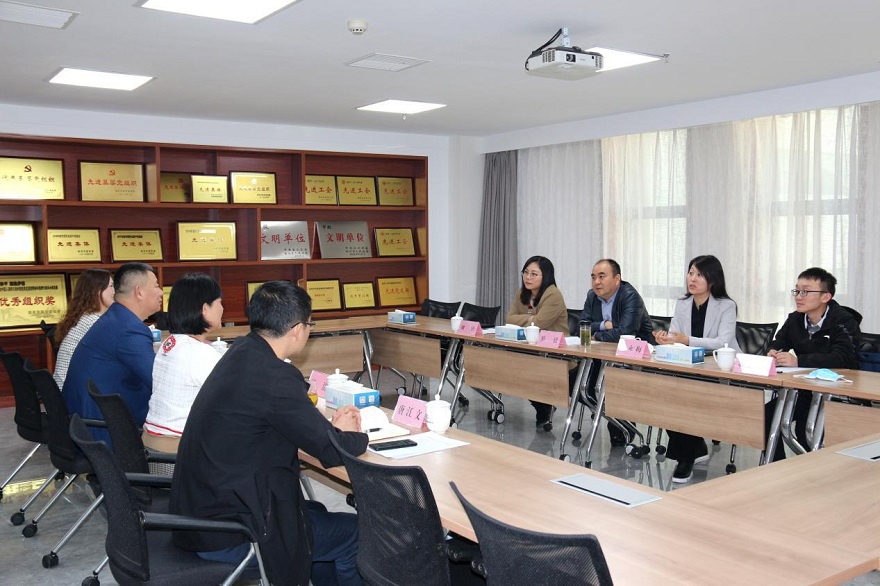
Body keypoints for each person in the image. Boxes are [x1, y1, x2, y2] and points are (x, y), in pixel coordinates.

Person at [170, 281, 368, 586]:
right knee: (356, 534)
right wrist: (350, 432)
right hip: (233, 532)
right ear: (298, 329)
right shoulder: (275, 377)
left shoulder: (241, 352)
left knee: (316, 514)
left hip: (201, 515)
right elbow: (332, 450)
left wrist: (326, 429)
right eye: (310, 325)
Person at [653, 255, 741, 483]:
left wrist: (686, 340)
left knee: (688, 398)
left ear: (712, 279)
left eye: (699, 275)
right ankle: (696, 448)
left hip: (719, 367)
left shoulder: (726, 305)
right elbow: (675, 335)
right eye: (691, 273)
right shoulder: (683, 304)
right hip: (688, 365)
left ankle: (686, 458)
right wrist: (665, 340)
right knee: (663, 394)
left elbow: (722, 341)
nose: (692, 279)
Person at [62, 262, 164, 443]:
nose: (161, 292)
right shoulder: (128, 329)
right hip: (104, 430)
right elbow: (159, 381)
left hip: (83, 423)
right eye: (156, 286)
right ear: (139, 292)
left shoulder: (116, 318)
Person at [767, 267, 861, 460]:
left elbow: (842, 357)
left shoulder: (843, 321)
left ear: (826, 296)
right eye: (797, 291)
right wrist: (774, 351)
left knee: (805, 432)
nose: (798, 297)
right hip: (804, 389)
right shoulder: (795, 319)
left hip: (835, 393)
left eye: (806, 291)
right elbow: (779, 342)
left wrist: (798, 361)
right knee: (766, 416)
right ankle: (777, 466)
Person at [142, 273, 224, 453]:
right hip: (179, 450)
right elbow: (233, 398)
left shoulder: (170, 343)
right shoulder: (200, 353)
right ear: (205, 309)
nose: (222, 309)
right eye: (219, 303)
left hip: (152, 444)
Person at [580, 258, 654, 446]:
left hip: (636, 358)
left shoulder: (630, 296)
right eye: (593, 277)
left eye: (602, 276)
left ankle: (623, 428)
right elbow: (582, 327)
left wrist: (597, 334)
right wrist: (605, 325)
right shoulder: (592, 296)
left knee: (612, 383)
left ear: (617, 279)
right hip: (603, 355)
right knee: (581, 384)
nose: (596, 282)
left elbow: (626, 333)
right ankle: (611, 418)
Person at [505, 255, 570, 428]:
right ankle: (543, 407)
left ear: (545, 276)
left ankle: (544, 407)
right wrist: (531, 318)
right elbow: (509, 318)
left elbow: (540, 323)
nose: (528, 277)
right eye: (525, 272)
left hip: (556, 353)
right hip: (531, 348)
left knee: (523, 367)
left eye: (534, 274)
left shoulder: (553, 295)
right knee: (510, 365)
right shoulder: (522, 293)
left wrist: (530, 319)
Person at [52, 269, 114, 390]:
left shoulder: (84, 316)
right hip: (72, 389)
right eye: (111, 286)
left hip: (64, 388)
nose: (114, 292)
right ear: (97, 291)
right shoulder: (94, 322)